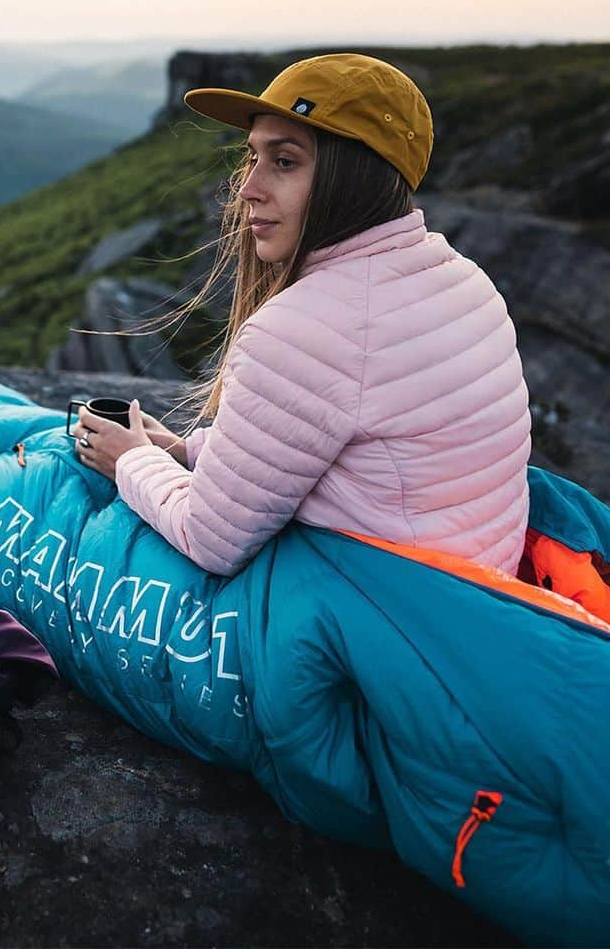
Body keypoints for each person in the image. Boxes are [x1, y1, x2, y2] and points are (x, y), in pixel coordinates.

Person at [74, 52, 531, 577]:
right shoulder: (466, 281)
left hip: (376, 623)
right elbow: (350, 442)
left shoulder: (302, 329)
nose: (248, 188)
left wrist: (129, 460)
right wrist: (183, 450)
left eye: (285, 162)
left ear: (353, 178)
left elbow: (210, 541)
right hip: (474, 598)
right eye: (253, 158)